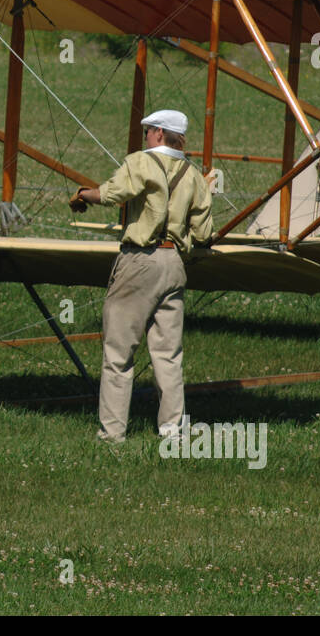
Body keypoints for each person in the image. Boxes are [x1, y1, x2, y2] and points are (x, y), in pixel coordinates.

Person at [68, 110, 213, 444]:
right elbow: (204, 230)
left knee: (118, 353)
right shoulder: (194, 175)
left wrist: (83, 194)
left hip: (139, 260)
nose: (145, 137)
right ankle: (173, 433)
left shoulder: (140, 162)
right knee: (168, 355)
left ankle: (112, 434)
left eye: (148, 131)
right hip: (174, 263)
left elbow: (110, 194)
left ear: (160, 134)